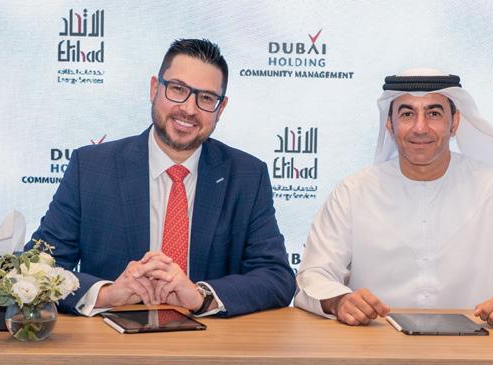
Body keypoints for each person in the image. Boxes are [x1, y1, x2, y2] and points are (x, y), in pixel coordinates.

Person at [27, 38, 295, 317]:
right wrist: (107, 294)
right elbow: (37, 266)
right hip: (110, 338)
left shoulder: (247, 176)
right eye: (178, 89)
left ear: (221, 108)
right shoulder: (91, 168)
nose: (189, 109)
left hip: (210, 340)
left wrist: (202, 297)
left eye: (206, 98)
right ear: (155, 88)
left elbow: (276, 276)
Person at [294, 68, 493, 330]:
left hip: (477, 348)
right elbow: (313, 275)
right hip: (375, 345)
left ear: (454, 123)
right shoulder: (352, 192)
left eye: (434, 113)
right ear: (390, 124)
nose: (420, 127)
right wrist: (339, 301)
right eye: (407, 114)